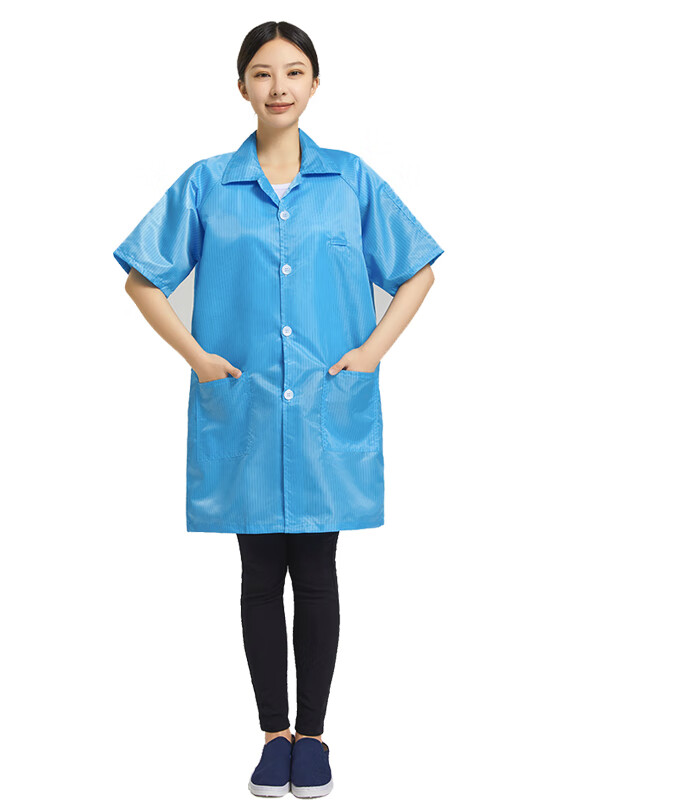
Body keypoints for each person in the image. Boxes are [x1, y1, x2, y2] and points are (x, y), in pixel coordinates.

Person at [112, 20, 444, 799]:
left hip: (327, 408)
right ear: (242, 88)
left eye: (294, 72)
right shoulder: (207, 184)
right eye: (263, 73)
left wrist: (372, 351)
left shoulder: (351, 180)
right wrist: (197, 358)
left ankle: (315, 738)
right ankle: (273, 737)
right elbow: (141, 279)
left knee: (318, 571)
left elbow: (418, 271)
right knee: (259, 573)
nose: (279, 87)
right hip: (246, 410)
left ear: (315, 84)